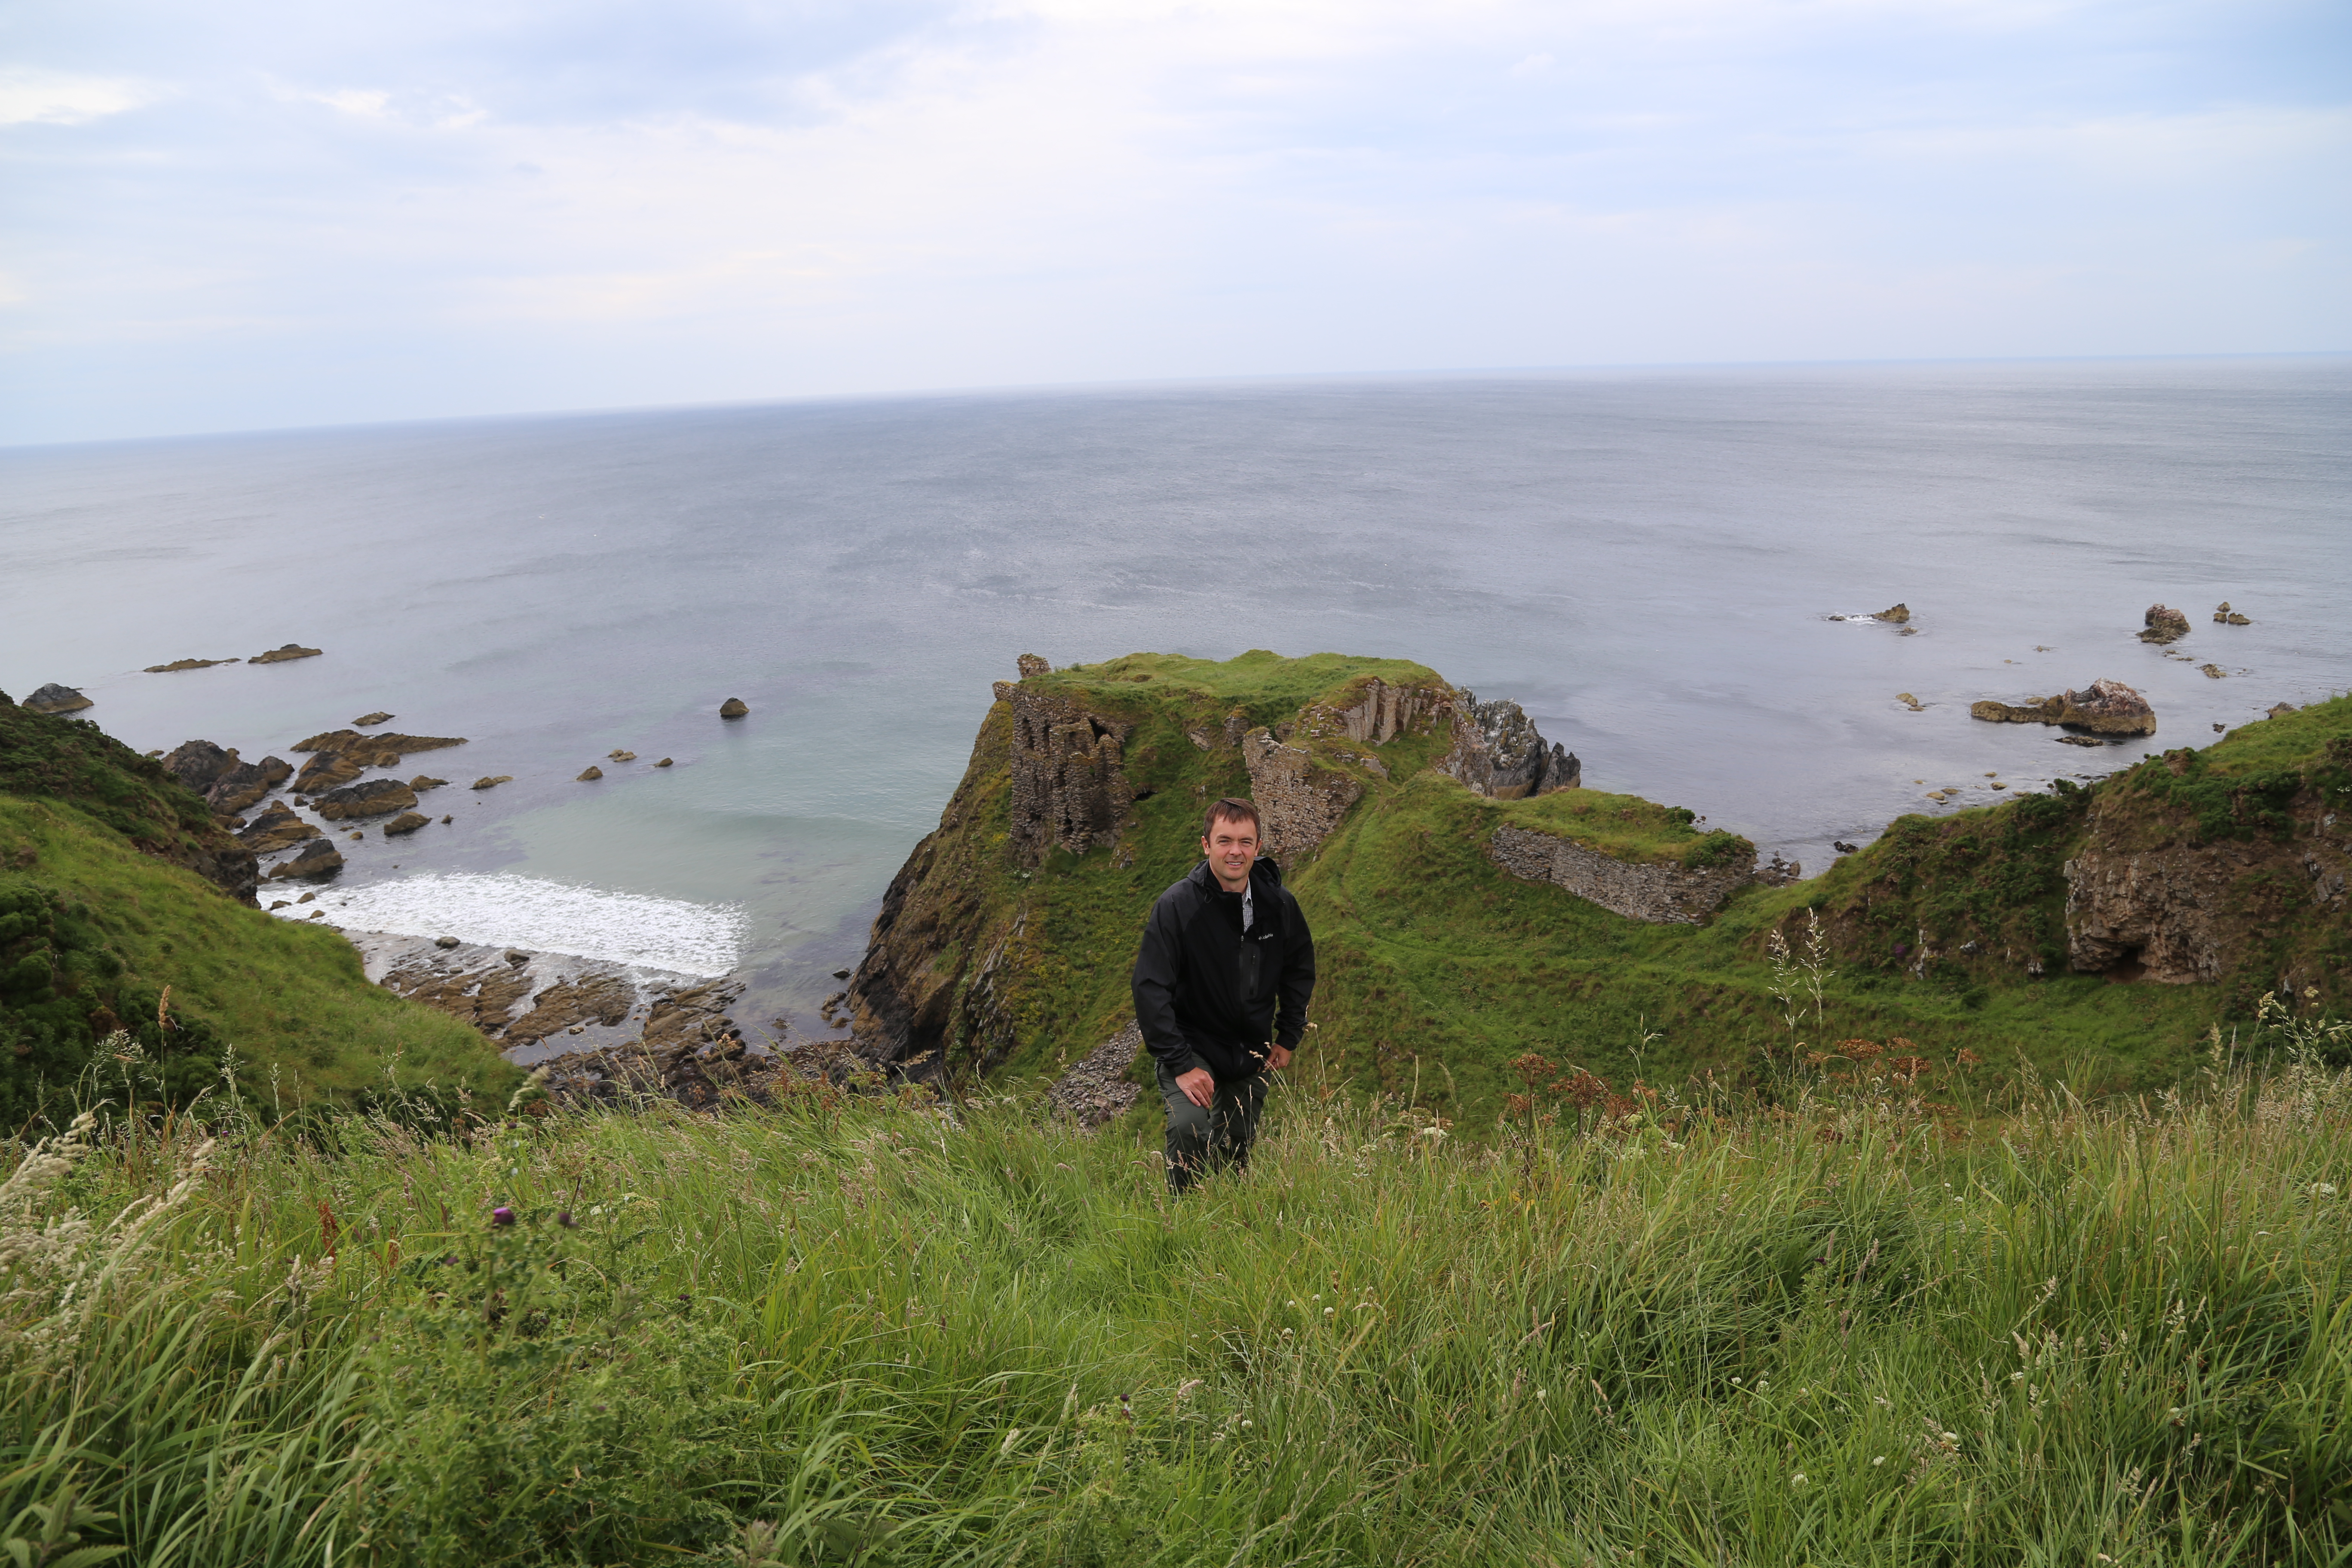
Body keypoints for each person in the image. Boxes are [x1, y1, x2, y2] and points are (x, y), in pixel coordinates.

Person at [1131, 796, 1316, 1193]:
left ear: (1258, 847)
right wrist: (1181, 1062)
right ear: (1206, 845)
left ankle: (1228, 1217)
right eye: (1225, 841)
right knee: (1190, 1128)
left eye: (1246, 842)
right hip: (1193, 1043)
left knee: (1238, 1144)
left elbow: (1300, 969)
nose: (1236, 851)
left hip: (1251, 1047)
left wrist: (1288, 1035)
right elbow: (1150, 987)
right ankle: (1182, 1219)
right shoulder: (1178, 906)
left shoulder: (1279, 905)